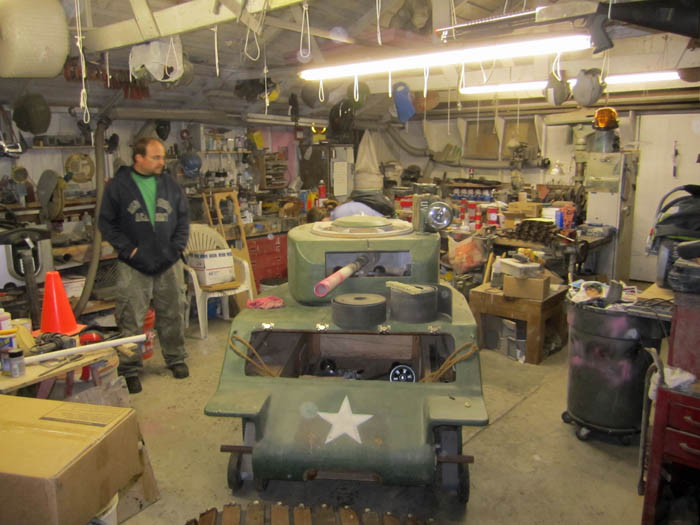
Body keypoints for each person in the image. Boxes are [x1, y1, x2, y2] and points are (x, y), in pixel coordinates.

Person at [99, 137, 190, 394]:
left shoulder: (170, 185)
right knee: (131, 316)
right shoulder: (118, 186)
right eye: (156, 157)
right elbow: (106, 223)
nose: (162, 162)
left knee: (173, 310)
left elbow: (183, 219)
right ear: (139, 158)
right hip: (133, 263)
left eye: (162, 157)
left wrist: (176, 248)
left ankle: (176, 358)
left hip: (168, 261)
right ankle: (129, 369)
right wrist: (129, 249)